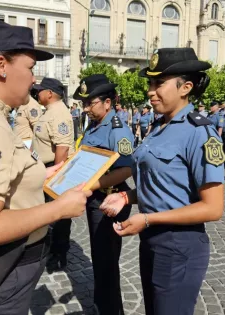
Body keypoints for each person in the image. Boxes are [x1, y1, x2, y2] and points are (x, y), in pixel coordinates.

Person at [0, 19, 91, 315]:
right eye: (31, 68)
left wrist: (41, 175)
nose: (35, 79)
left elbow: (7, 176)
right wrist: (59, 210)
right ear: (1, 65)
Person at [99, 47, 224, 315]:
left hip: (179, 244)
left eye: (159, 84)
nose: (150, 91)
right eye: (150, 83)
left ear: (185, 87)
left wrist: (146, 219)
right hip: (153, 239)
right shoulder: (159, 126)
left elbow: (213, 208)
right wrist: (127, 197)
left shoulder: (200, 132)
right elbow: (159, 182)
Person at [73, 74, 135, 315]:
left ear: (107, 103)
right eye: (84, 103)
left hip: (111, 199)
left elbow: (127, 169)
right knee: (99, 259)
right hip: (95, 198)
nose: (86, 108)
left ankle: (110, 310)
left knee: (106, 262)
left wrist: (91, 185)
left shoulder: (118, 130)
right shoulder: (95, 125)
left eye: (90, 103)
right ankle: (101, 306)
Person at [31, 77, 76, 271]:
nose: (37, 93)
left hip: (55, 167)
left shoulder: (59, 113)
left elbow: (62, 149)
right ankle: (51, 248)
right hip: (45, 167)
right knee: (49, 214)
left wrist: (56, 177)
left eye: (40, 90)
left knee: (58, 216)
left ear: (49, 93)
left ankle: (58, 254)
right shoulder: (49, 111)